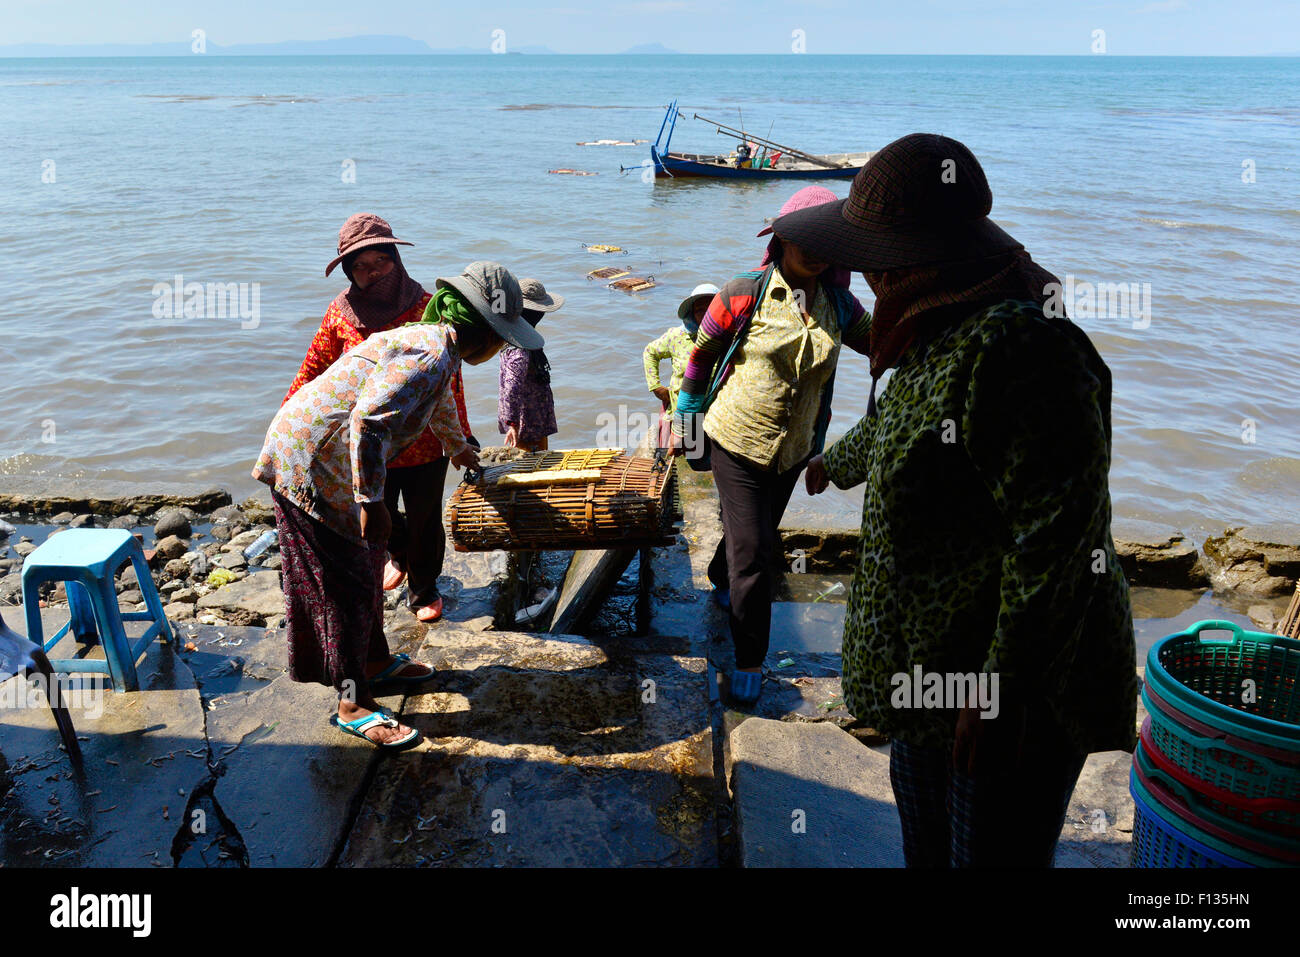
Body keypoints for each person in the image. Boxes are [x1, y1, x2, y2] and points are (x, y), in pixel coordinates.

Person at [782, 133, 1138, 866]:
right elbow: (893, 423)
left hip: (1003, 692)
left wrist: (998, 688)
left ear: (915, 258)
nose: (865, 275)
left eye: (873, 257)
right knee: (930, 851)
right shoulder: (935, 326)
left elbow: (1057, 542)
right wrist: (831, 464)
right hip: (928, 682)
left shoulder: (1019, 347)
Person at [252, 262, 538, 749]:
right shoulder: (429, 353)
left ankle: (375, 662)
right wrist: (372, 501)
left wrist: (457, 448)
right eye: (503, 339)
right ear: (485, 334)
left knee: (363, 571)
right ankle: (353, 703)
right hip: (313, 463)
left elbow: (437, 401)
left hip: (324, 453)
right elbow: (369, 421)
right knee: (342, 585)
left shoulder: (435, 344)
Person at [672, 187, 871, 707]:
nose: (816, 249)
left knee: (752, 538)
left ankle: (722, 576)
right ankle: (749, 661)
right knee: (758, 555)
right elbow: (698, 363)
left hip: (795, 451)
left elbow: (888, 345)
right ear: (780, 238)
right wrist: (686, 428)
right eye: (806, 237)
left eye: (829, 240)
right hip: (734, 441)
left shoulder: (841, 306)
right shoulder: (742, 293)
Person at [285, 213, 479, 624]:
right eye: (360, 266)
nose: (372, 273)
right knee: (378, 514)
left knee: (426, 518)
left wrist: (459, 438)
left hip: (425, 439)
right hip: (370, 444)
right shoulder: (340, 315)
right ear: (349, 272)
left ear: (396, 259)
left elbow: (449, 381)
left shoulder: (426, 307)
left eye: (380, 262)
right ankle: (397, 556)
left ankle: (424, 588)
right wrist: (289, 422)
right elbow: (314, 372)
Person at [498, 278, 563, 452]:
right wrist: (512, 424)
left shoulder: (516, 337)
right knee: (534, 464)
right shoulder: (520, 349)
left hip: (533, 417)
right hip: (527, 422)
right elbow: (512, 387)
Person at [644, 282, 719, 421]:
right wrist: (656, 387)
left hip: (718, 411)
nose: (706, 314)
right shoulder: (676, 336)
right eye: (699, 310)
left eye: (711, 308)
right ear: (692, 314)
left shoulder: (729, 338)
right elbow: (650, 352)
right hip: (683, 411)